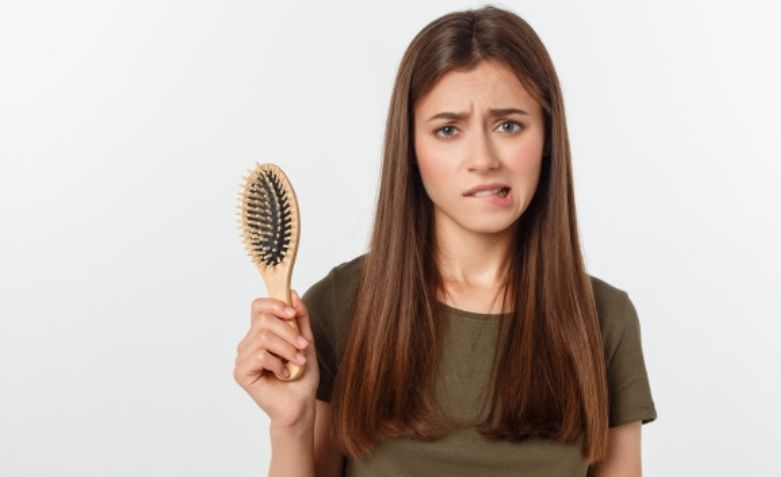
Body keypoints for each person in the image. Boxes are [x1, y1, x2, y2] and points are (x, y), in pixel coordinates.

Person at [234, 5, 657, 476]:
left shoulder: (603, 319)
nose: (482, 158)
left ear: (549, 136)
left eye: (509, 125)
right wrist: (290, 423)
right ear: (411, 148)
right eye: (448, 130)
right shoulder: (340, 306)